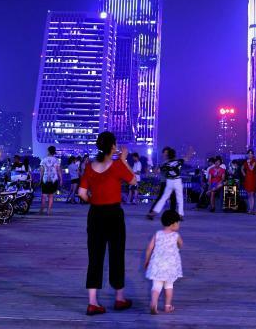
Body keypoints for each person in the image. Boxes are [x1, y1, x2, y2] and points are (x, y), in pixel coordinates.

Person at [77, 131, 137, 316]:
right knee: (116, 254)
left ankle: (92, 302)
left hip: (95, 214)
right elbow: (134, 180)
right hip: (114, 214)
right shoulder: (118, 165)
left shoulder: (89, 166)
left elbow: (81, 193)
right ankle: (119, 298)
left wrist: (93, 201)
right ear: (113, 147)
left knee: (95, 256)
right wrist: (124, 159)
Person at [144, 209, 183, 315]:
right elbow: (180, 244)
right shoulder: (176, 236)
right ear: (173, 224)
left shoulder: (158, 234)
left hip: (157, 265)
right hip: (170, 266)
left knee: (156, 286)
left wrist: (147, 261)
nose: (179, 225)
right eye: (178, 222)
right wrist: (177, 247)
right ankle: (167, 306)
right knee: (169, 286)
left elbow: (149, 248)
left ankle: (153, 303)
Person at [148, 148, 185, 220]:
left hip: (169, 181)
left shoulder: (165, 164)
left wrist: (152, 165)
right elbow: (186, 158)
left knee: (164, 198)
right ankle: (180, 215)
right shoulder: (178, 161)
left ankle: (154, 212)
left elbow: (156, 172)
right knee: (180, 198)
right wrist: (190, 152)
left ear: (168, 155)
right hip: (177, 180)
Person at [40, 146, 62, 215]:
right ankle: (48, 210)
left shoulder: (44, 159)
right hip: (54, 179)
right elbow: (58, 170)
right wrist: (61, 179)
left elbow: (41, 170)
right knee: (51, 195)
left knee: (44, 196)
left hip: (45, 179)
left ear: (48, 151)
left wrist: (40, 179)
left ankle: (42, 209)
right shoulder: (56, 160)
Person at [241, 150, 256, 214]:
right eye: (249, 153)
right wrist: (244, 174)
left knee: (252, 194)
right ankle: (250, 209)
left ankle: (252, 209)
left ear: (253, 155)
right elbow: (242, 168)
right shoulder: (246, 161)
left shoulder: (254, 161)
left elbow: (251, 169)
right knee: (248, 195)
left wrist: (248, 163)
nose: (250, 154)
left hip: (252, 178)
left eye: (251, 153)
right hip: (247, 178)